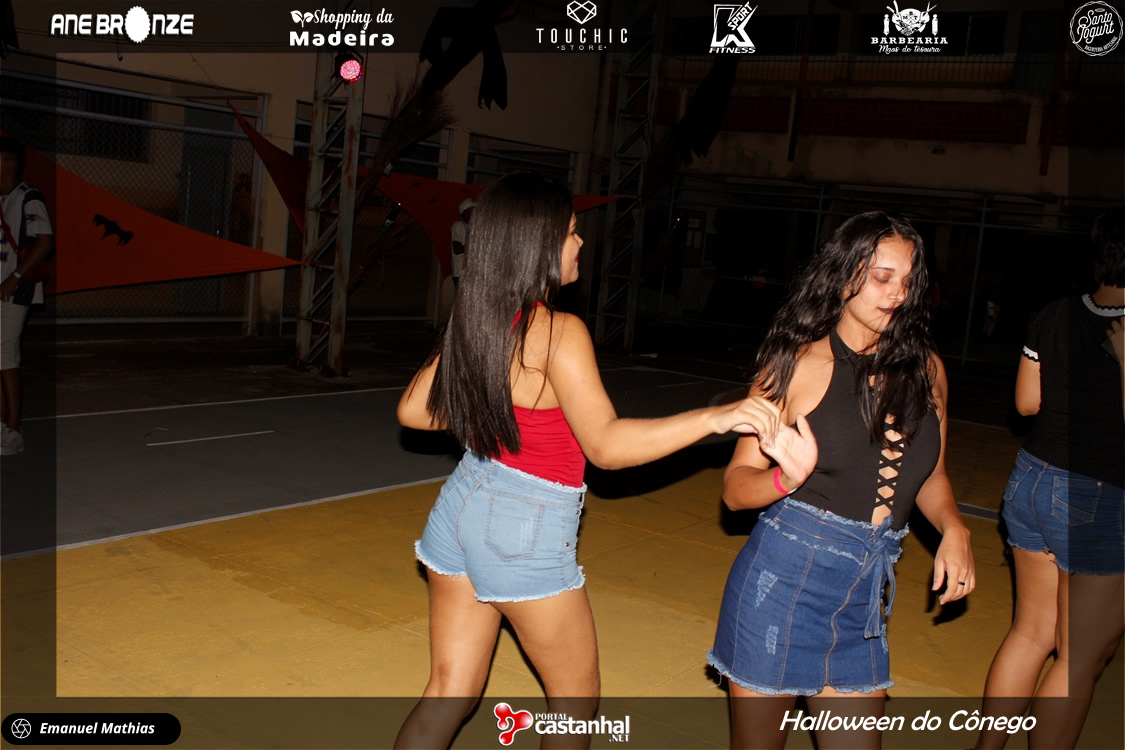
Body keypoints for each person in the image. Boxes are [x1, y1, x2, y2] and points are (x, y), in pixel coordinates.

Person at [394, 172, 778, 749]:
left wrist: (494, 405)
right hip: (523, 526)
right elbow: (606, 446)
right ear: (537, 244)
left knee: (449, 689)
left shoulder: (481, 318)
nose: (580, 242)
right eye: (571, 232)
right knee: (575, 706)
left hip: (461, 505)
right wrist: (714, 418)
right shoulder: (559, 332)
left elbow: (413, 411)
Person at [708, 211, 975, 750]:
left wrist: (953, 527)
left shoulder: (928, 370)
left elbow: (931, 474)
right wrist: (787, 478)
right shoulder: (795, 365)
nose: (897, 293)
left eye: (908, 280)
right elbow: (735, 489)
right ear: (844, 273)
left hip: (864, 599)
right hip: (782, 587)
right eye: (882, 276)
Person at [975, 208, 1125, 750]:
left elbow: (1025, 402)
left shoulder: (1057, 312)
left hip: (1032, 481)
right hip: (1100, 495)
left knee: (1031, 632)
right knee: (1079, 656)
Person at [0, 136, 54, 456]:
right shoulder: (2, 198)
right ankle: (2, 424)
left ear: (8, 163)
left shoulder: (28, 196)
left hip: (15, 291)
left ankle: (15, 430)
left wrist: (14, 277)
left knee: (5, 359)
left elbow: (45, 242)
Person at [449, 197, 474, 289]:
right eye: (471, 210)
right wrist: (474, 247)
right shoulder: (458, 225)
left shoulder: (470, 227)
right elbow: (457, 249)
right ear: (464, 212)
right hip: (460, 273)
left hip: (468, 272)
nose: (474, 213)